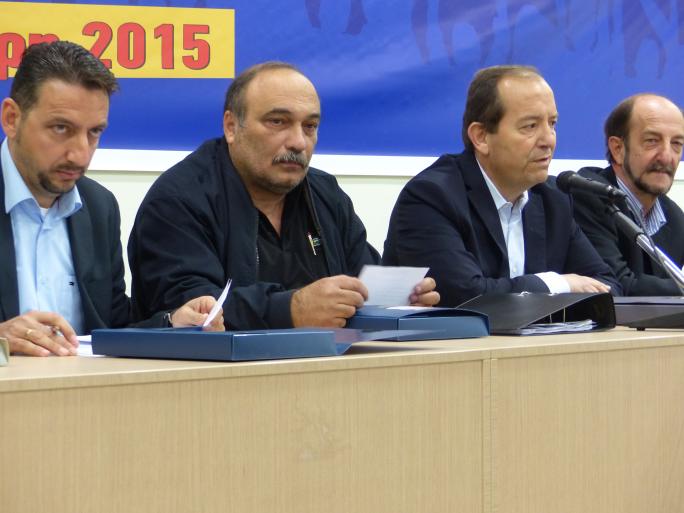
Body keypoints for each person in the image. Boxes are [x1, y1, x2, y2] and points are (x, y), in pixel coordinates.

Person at [128, 61, 439, 330]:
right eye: (278, 122)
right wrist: (290, 309)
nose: (298, 142)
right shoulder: (179, 199)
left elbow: (361, 282)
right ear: (232, 126)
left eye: (310, 126)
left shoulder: (325, 194)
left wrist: (396, 302)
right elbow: (195, 310)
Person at [0, 41, 223, 357]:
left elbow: (112, 325)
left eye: (94, 132)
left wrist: (173, 323)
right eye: (61, 128)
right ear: (11, 119)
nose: (80, 154)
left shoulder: (98, 206)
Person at [383, 65, 620, 306]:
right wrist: (559, 284)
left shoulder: (553, 198)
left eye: (552, 123)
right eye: (530, 126)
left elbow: (607, 287)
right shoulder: (432, 197)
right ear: (481, 137)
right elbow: (465, 296)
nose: (548, 140)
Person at [569, 94, 684, 296]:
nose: (667, 156)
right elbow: (616, 286)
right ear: (618, 149)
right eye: (652, 141)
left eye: (676, 143)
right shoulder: (589, 196)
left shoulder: (674, 218)